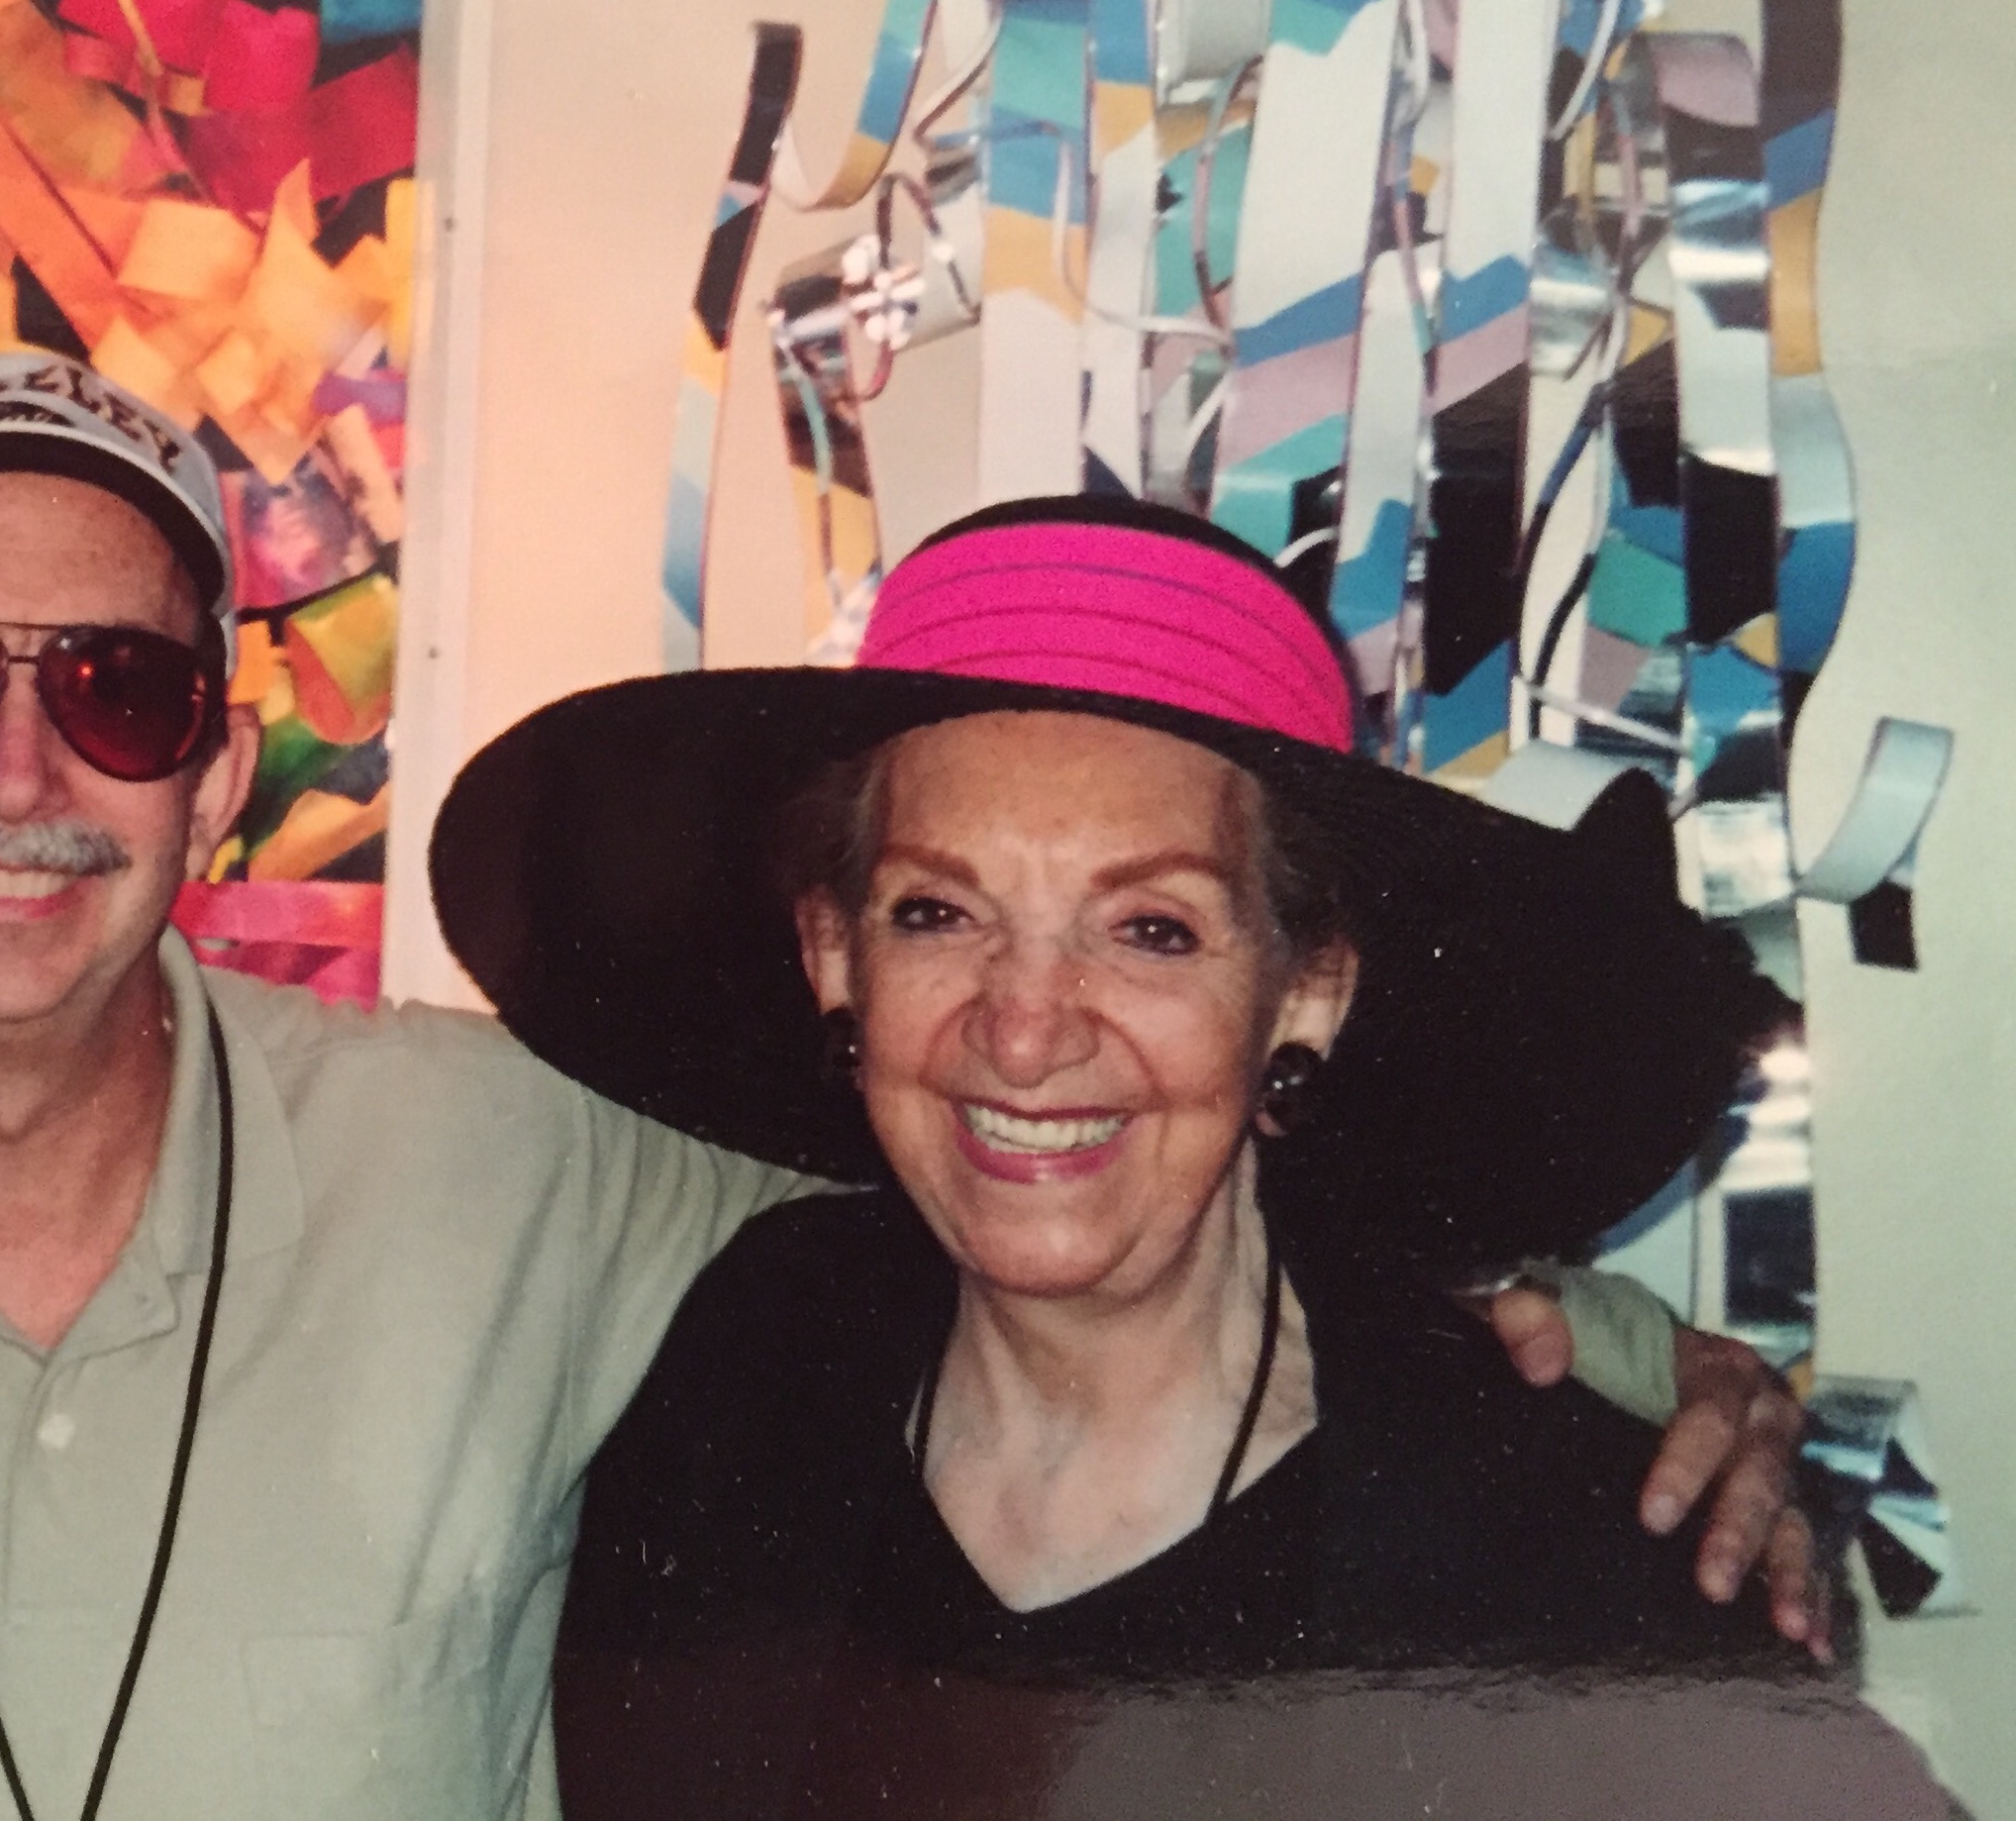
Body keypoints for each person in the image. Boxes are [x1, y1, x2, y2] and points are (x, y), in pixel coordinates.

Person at [0, 358, 1815, 1821]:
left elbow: (1047, 1185)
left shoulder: (503, 1158)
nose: (15, 774)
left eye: (116, 689)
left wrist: (1642, 1364)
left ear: (218, 773)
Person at [429, 493, 1947, 1820]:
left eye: (1148, 929)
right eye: (934, 913)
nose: (1022, 1034)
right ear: (832, 954)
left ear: (1302, 991)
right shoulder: (738, 1366)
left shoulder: (1570, 1567)